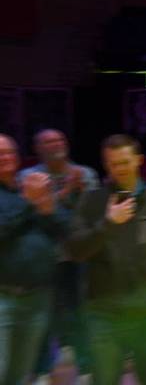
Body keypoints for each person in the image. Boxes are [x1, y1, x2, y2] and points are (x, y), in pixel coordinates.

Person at [66, 134, 146, 385]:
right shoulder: (92, 201)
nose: (119, 169)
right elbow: (76, 251)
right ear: (106, 165)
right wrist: (108, 223)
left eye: (125, 162)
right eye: (113, 164)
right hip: (105, 316)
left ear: (139, 160)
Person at [20, 129, 98, 381]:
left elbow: (91, 216)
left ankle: (85, 370)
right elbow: (34, 217)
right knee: (42, 316)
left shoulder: (85, 174)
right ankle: (43, 370)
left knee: (81, 315)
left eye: (59, 140)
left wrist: (79, 192)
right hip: (44, 260)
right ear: (38, 148)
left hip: (78, 259)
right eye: (48, 142)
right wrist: (65, 193)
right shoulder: (29, 177)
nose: (55, 145)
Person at [0, 134, 68, 384]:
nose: (6, 157)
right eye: (0, 153)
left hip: (38, 298)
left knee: (21, 372)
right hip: (3, 298)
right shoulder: (28, 194)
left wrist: (49, 208)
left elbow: (65, 230)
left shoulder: (32, 186)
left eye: (10, 152)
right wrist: (28, 202)